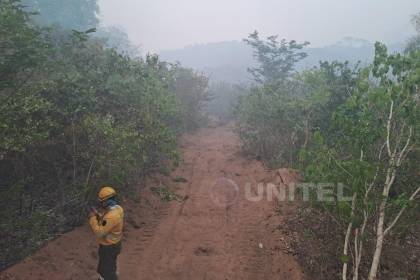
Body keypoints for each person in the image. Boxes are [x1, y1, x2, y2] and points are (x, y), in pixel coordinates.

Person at [89, 186, 124, 280]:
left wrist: (92, 218)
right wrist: (97, 215)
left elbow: (99, 232)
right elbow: (107, 222)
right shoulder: (118, 209)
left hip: (108, 247)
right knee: (110, 265)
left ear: (107, 201)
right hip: (115, 244)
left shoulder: (112, 216)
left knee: (106, 271)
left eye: (102, 201)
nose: (101, 203)